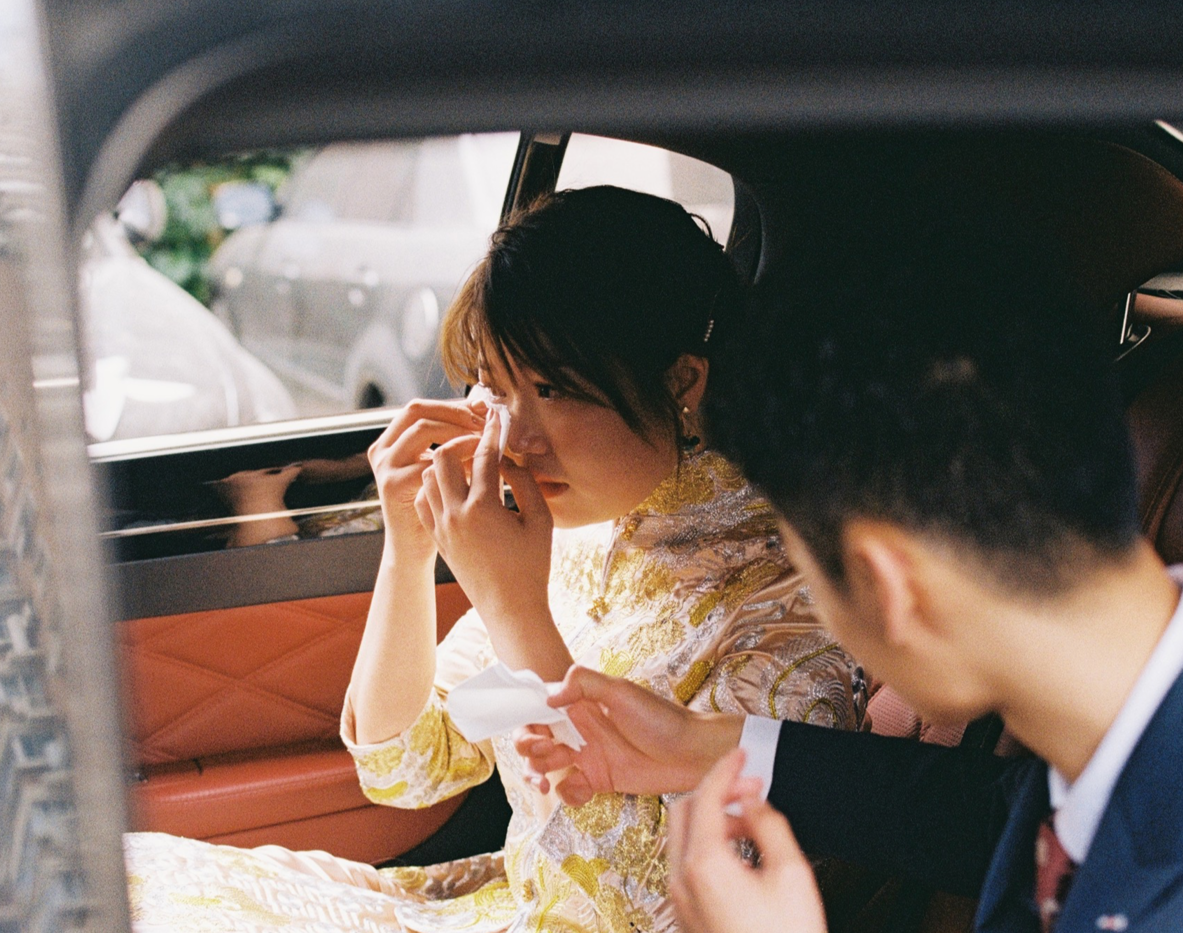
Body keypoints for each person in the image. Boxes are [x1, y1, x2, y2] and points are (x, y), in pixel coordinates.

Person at [123, 186, 864, 933]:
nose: (516, 438)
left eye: (552, 388)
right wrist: (409, 551)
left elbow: (668, 910)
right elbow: (404, 767)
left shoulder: (793, 598)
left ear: (681, 382)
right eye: (496, 387)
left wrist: (516, 612)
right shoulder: (577, 529)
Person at [516, 222, 1183, 932]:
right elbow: (992, 820)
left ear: (890, 587)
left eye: (807, 574)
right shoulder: (1176, 690)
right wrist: (702, 744)